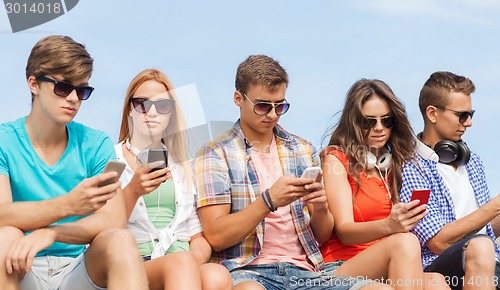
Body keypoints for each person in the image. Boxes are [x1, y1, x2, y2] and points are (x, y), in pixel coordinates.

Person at [194, 55, 393, 290]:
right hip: (248, 271)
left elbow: (322, 235)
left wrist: (320, 208)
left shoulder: (302, 149)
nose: (273, 115)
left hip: (306, 272)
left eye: (281, 106)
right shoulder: (215, 153)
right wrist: (268, 201)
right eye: (262, 106)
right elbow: (216, 237)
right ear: (238, 99)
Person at [0, 35, 148, 289]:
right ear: (33, 84)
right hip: (20, 268)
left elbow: (112, 219)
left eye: (81, 90)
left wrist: (51, 233)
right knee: (6, 237)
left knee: (120, 240)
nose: (73, 98)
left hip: (77, 270)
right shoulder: (4, 140)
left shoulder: (96, 142)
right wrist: (69, 204)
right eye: (62, 87)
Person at [320, 79, 449, 290]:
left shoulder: (394, 166)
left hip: (390, 264)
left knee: (436, 282)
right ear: (354, 122)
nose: (379, 128)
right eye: (369, 122)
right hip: (342, 266)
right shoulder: (336, 160)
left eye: (386, 121)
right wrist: (389, 225)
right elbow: (344, 231)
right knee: (405, 241)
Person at [116, 68, 232, 290]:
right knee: (179, 264)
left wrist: (193, 258)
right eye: (141, 103)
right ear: (129, 109)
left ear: (171, 114)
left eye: (162, 106)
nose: (152, 112)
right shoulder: (112, 158)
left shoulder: (183, 168)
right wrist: (133, 191)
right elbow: (104, 225)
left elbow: (196, 235)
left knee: (217, 275)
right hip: (137, 262)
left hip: (182, 260)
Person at [400, 71, 500, 290]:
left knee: (483, 246)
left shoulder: (473, 162)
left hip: (486, 261)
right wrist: (496, 205)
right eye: (462, 115)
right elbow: (439, 242)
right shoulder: (410, 167)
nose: (469, 123)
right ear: (433, 113)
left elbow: (483, 229)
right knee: (482, 246)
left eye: (471, 114)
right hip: (439, 268)